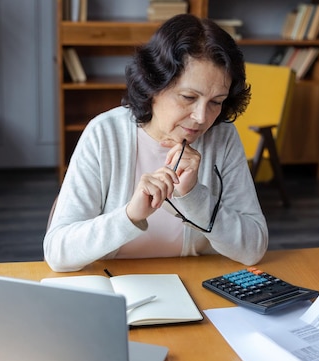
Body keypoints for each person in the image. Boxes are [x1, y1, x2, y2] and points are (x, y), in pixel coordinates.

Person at [44, 14, 268, 272]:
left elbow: (254, 248)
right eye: (188, 97)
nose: (201, 117)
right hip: (115, 285)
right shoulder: (104, 134)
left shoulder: (223, 137)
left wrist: (194, 197)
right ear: (153, 84)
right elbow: (58, 252)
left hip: (195, 284)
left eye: (216, 102)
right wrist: (129, 215)